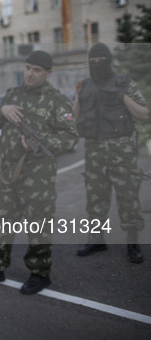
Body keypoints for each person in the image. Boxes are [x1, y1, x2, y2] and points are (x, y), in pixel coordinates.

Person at [0, 50, 78, 295]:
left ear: (48, 73)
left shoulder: (56, 100)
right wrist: (2, 110)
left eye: (36, 70)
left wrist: (44, 143)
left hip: (38, 177)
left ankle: (40, 274)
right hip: (9, 174)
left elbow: (71, 137)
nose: (29, 73)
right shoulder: (13, 94)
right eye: (28, 67)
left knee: (38, 227)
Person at [73, 42, 149, 263]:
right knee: (95, 196)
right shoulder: (84, 85)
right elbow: (71, 118)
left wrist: (121, 95)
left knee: (128, 196)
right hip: (94, 149)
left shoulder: (124, 82)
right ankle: (96, 239)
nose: (97, 65)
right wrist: (78, 97)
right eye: (92, 62)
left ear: (109, 61)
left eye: (101, 61)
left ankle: (133, 241)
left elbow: (143, 114)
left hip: (121, 149)